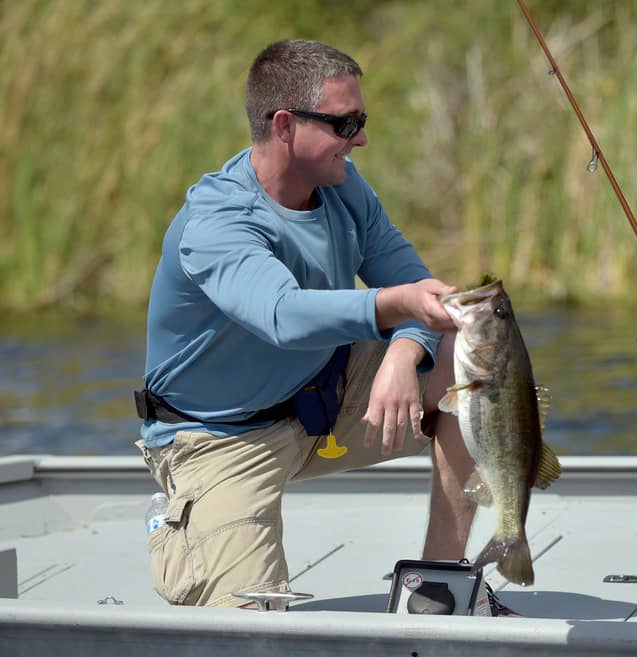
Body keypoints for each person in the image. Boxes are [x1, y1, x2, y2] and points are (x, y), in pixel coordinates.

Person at [134, 39, 478, 608]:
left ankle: (439, 584)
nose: (361, 139)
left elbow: (419, 289)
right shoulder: (216, 222)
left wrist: (403, 354)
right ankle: (179, 525)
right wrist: (396, 308)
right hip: (222, 439)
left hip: (323, 396)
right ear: (285, 126)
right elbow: (282, 315)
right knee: (255, 627)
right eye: (346, 124)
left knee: (473, 350)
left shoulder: (342, 186)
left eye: (361, 121)